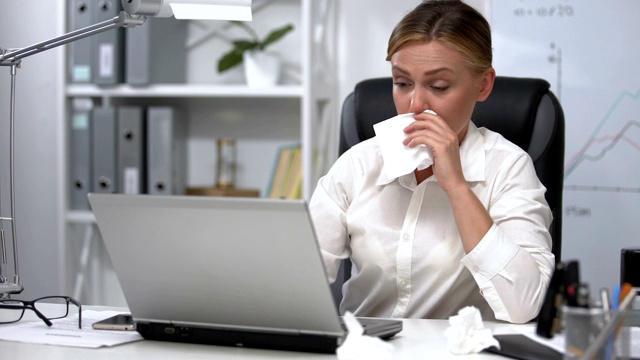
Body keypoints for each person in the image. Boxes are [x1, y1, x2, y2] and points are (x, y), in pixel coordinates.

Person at [309, 0, 554, 324]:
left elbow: (525, 305)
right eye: (402, 83)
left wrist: (456, 186)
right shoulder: (359, 164)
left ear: (483, 85)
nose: (415, 104)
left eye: (438, 86)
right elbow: (294, 282)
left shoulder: (508, 167)